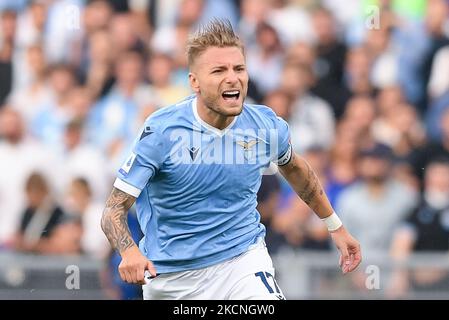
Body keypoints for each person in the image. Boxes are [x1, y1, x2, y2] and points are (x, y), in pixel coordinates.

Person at [101, 19, 362, 300]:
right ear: (195, 82)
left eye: (239, 68)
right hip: (173, 279)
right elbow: (112, 211)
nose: (232, 78)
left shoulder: (263, 125)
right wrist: (129, 252)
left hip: (242, 262)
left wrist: (335, 226)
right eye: (219, 70)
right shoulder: (162, 131)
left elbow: (296, 169)